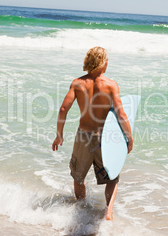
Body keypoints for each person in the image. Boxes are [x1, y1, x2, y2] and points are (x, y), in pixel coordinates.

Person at [52, 47, 133, 220]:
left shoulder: (77, 83)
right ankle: (108, 211)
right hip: (105, 138)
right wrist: (129, 137)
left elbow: (63, 109)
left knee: (78, 176)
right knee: (111, 177)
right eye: (107, 59)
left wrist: (59, 134)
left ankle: (81, 209)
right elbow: (121, 114)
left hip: (83, 136)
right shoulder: (111, 85)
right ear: (102, 62)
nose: (108, 62)